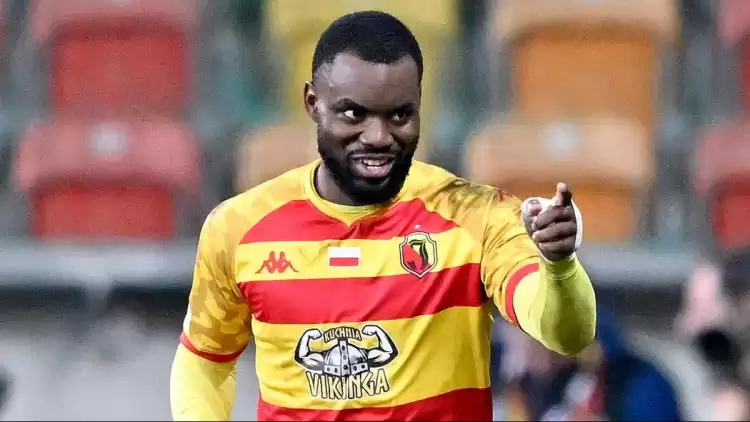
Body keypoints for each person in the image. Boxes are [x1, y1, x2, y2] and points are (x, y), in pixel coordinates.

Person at [170, 10, 596, 421]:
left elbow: (566, 335)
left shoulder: (477, 217)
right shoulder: (239, 227)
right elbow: (205, 359)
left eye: (399, 115)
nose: (378, 137)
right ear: (313, 103)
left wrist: (559, 267)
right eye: (354, 114)